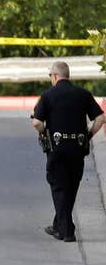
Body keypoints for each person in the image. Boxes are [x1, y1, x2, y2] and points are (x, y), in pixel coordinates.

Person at [32, 61, 104, 242]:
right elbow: (100, 118)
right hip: (78, 148)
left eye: (50, 76)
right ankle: (58, 225)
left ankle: (67, 231)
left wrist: (43, 133)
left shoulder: (48, 95)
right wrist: (88, 136)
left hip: (57, 147)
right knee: (71, 187)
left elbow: (37, 122)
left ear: (55, 76)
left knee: (59, 187)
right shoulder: (83, 94)